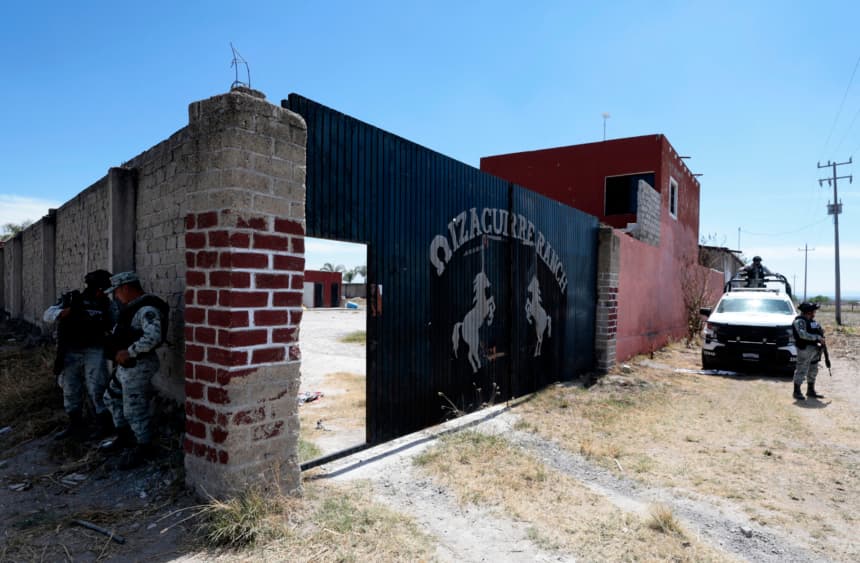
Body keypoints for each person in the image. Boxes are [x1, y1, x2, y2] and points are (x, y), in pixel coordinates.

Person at [101, 271, 169, 470]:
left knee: (133, 408)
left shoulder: (147, 309)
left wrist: (129, 352)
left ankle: (144, 447)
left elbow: (153, 337)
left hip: (139, 364)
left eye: (117, 292)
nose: (116, 297)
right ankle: (124, 437)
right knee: (110, 397)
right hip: (127, 365)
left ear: (126, 288)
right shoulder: (132, 309)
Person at [43, 270, 114, 440]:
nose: (102, 292)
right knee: (70, 387)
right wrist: (62, 313)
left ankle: (104, 425)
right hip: (71, 351)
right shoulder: (72, 299)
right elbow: (48, 314)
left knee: (97, 386)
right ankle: (76, 426)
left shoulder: (107, 304)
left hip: (95, 349)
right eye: (101, 289)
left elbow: (115, 322)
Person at [792, 301, 825, 401]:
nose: (814, 313)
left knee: (813, 369)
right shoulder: (800, 321)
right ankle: (796, 391)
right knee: (802, 369)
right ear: (808, 311)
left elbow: (819, 330)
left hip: (815, 349)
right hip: (804, 349)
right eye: (813, 311)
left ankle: (810, 390)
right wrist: (817, 337)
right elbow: (802, 334)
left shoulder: (812, 321)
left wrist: (821, 336)